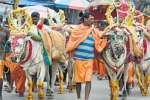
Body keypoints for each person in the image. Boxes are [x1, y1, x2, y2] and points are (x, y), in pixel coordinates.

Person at [66, 12, 107, 100]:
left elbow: (101, 36)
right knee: (78, 81)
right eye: (91, 19)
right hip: (78, 59)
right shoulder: (77, 29)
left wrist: (107, 34)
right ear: (85, 19)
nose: (93, 21)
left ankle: (86, 98)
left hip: (89, 59)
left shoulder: (93, 30)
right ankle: (78, 97)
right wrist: (71, 56)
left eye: (93, 19)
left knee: (88, 80)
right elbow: (72, 42)